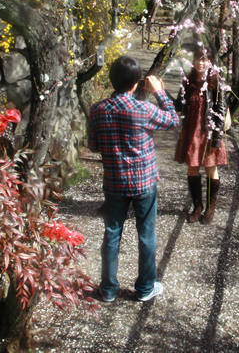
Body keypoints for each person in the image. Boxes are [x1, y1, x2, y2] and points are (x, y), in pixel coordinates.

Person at [89, 55, 179, 302]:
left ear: (112, 79)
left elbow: (94, 145)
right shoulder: (143, 109)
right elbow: (173, 120)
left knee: (112, 233)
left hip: (114, 182)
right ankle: (145, 288)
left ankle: (107, 289)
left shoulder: (97, 110)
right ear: (137, 82)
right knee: (146, 234)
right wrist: (160, 92)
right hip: (143, 182)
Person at [174, 45, 228, 224]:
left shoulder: (216, 83)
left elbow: (220, 110)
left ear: (210, 62)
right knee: (192, 168)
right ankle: (197, 207)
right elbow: (178, 104)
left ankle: (210, 208)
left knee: (211, 168)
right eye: (198, 58)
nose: (201, 63)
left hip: (209, 132)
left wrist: (217, 138)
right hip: (191, 132)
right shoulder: (187, 81)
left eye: (205, 59)